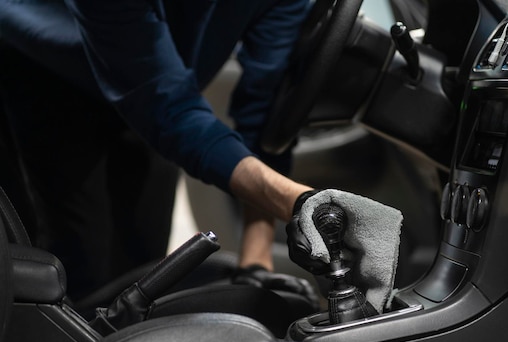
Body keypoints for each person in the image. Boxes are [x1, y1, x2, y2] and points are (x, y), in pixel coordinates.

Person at [0, 0, 313, 302]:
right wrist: (302, 203)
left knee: (146, 274)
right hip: (47, 72)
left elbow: (265, 112)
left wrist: (255, 261)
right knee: (74, 270)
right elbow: (167, 108)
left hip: (160, 76)